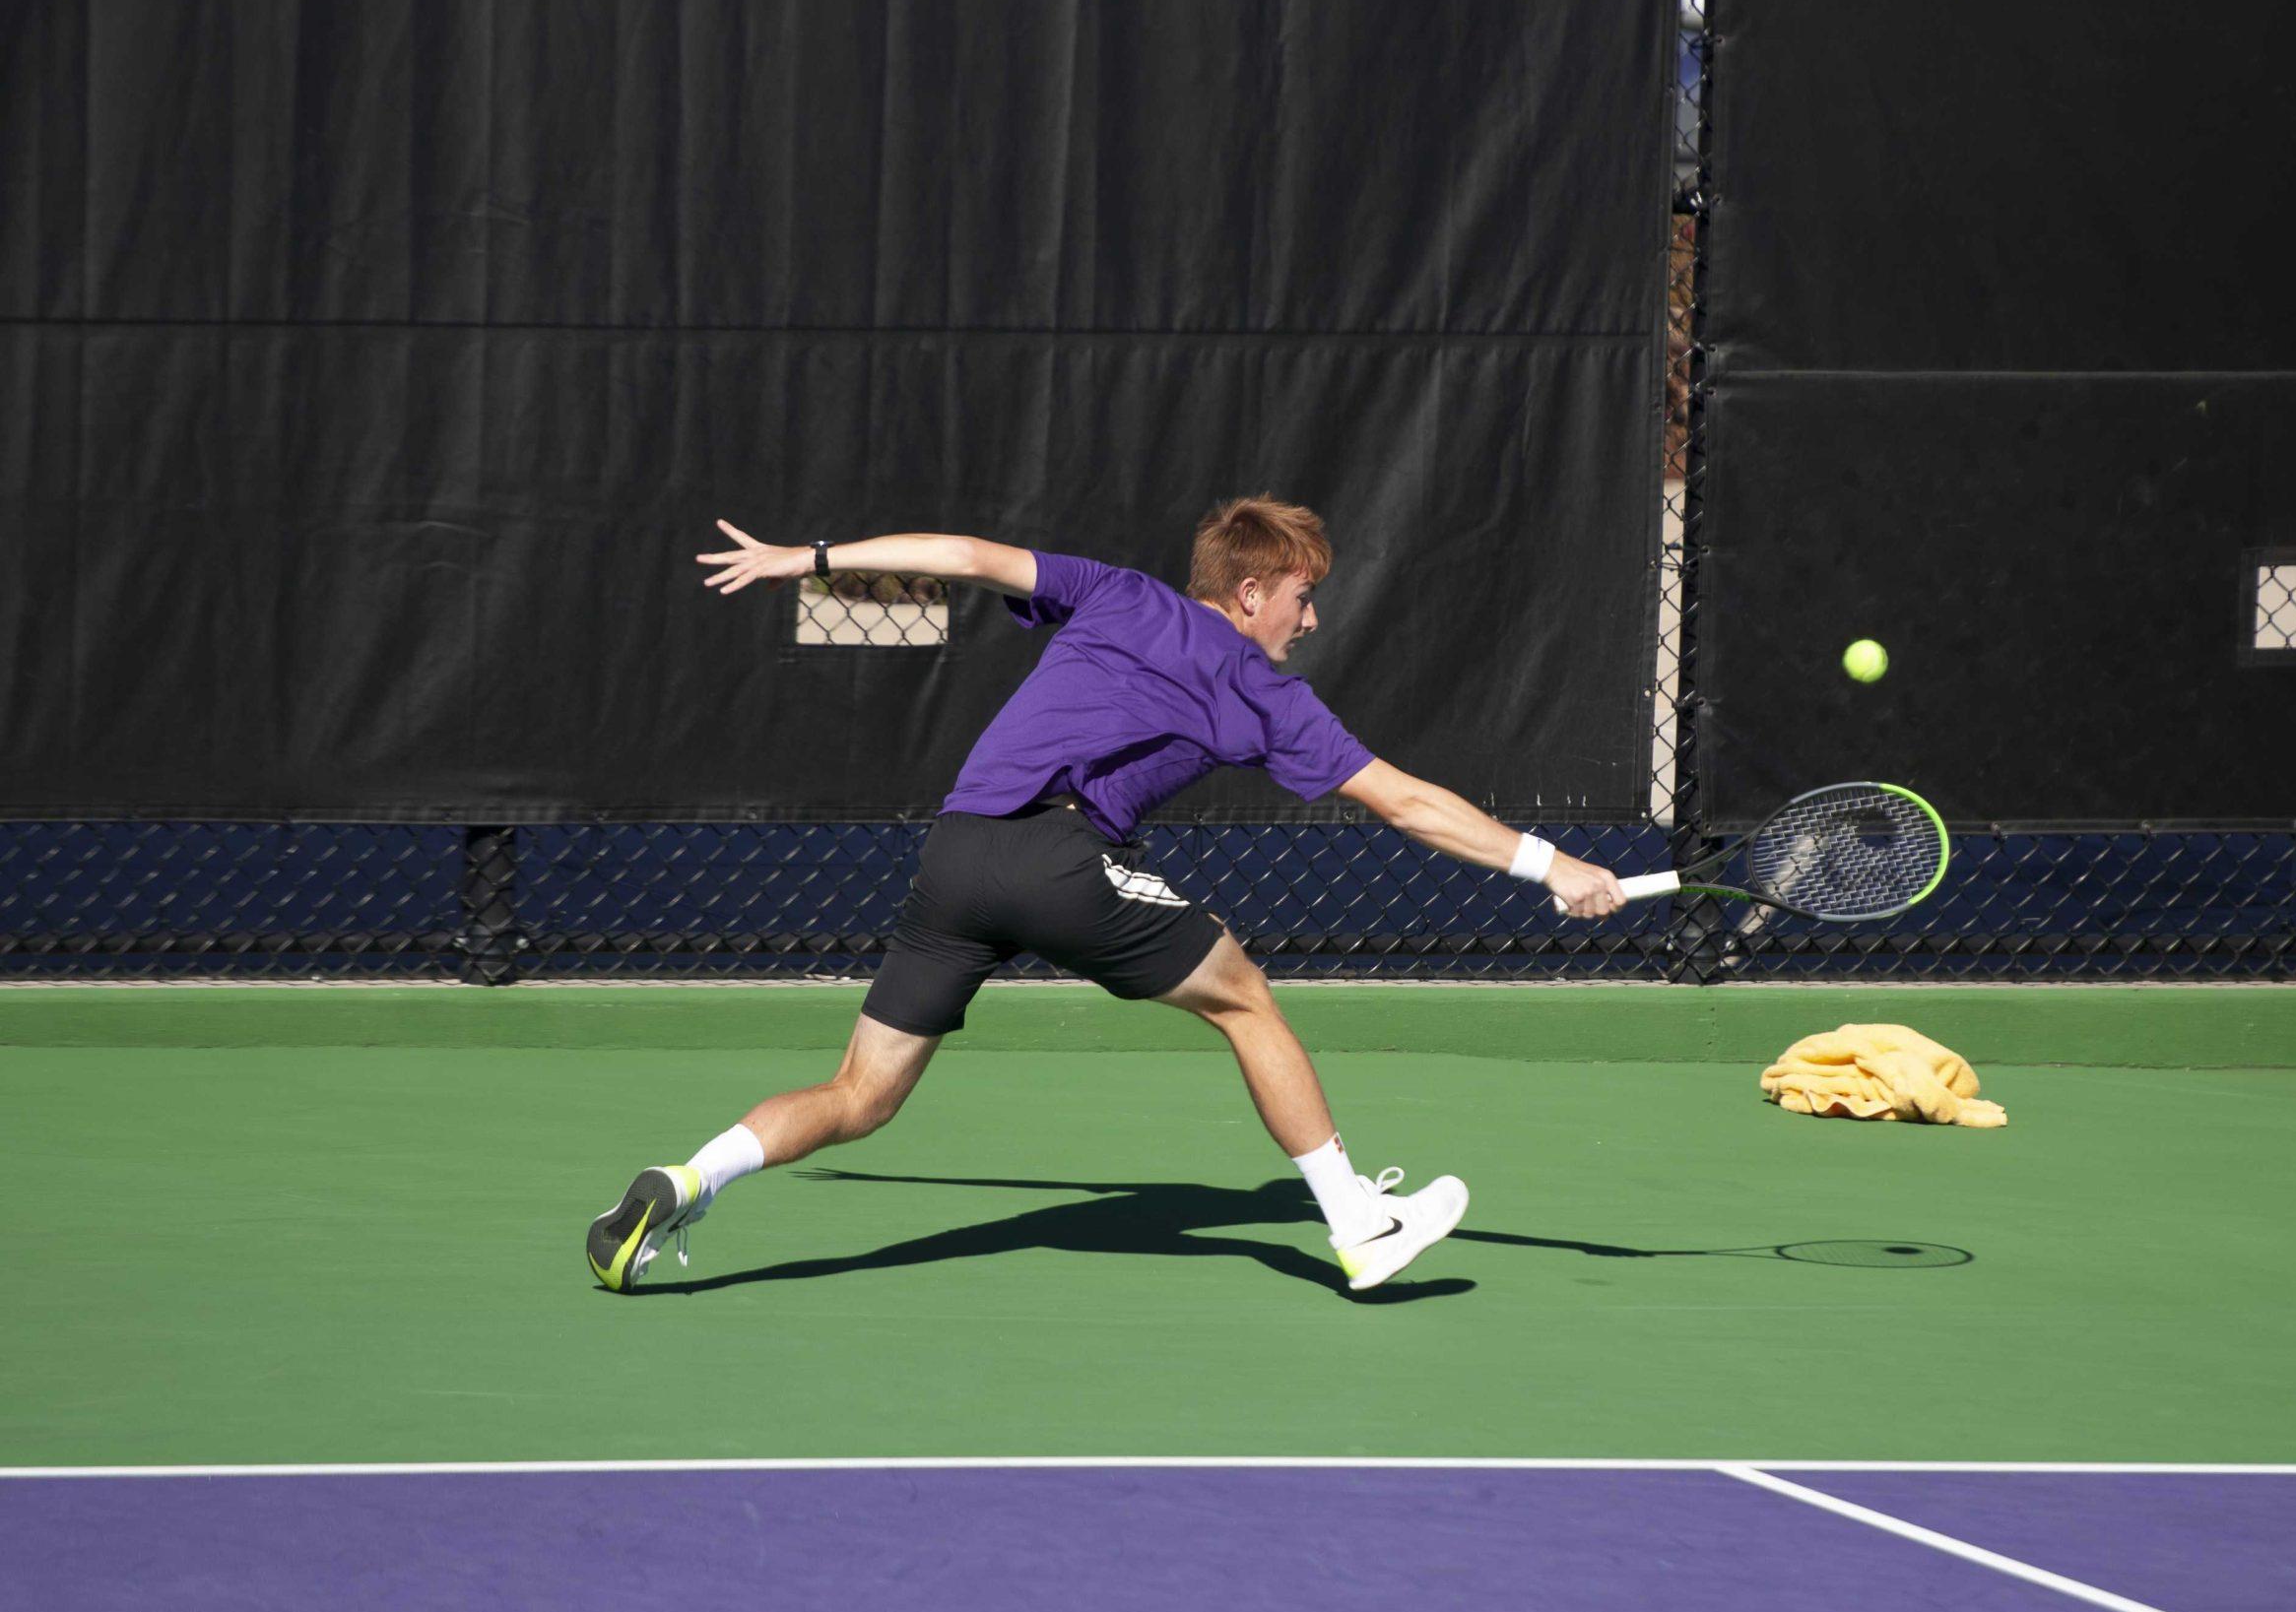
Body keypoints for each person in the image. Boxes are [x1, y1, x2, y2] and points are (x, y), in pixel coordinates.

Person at [587, 497, 1627, 1295]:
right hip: (1055, 854)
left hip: (953, 856)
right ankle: (1355, 1222)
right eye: (1304, 594)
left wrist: (807, 558)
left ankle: (689, 1179)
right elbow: (1405, 801)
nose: (1311, 619)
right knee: (1245, 998)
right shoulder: (1263, 690)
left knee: (861, 1094)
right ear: (1254, 589)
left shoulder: (1118, 591)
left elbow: (964, 556)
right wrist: (1553, 865)